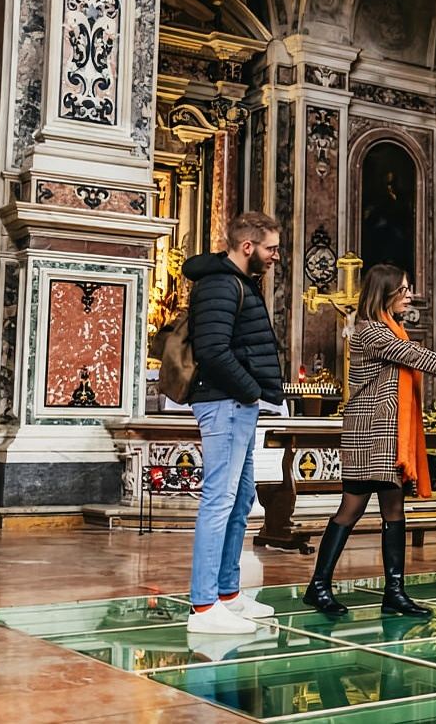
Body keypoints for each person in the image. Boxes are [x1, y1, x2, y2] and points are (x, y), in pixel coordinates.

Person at [303, 264, 436, 617]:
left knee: (394, 509)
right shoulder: (372, 333)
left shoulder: (391, 330)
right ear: (386, 294)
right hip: (369, 434)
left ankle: (394, 591)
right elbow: (419, 357)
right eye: (405, 290)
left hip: (388, 437)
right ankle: (319, 585)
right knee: (351, 508)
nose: (410, 296)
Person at [181, 211, 284, 633]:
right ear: (247, 247)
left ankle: (227, 593)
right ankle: (203, 608)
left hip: (237, 403)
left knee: (241, 500)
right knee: (219, 501)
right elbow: (212, 350)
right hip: (225, 403)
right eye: (270, 248)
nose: (276, 256)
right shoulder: (222, 284)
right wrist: (251, 390)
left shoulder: (239, 283)